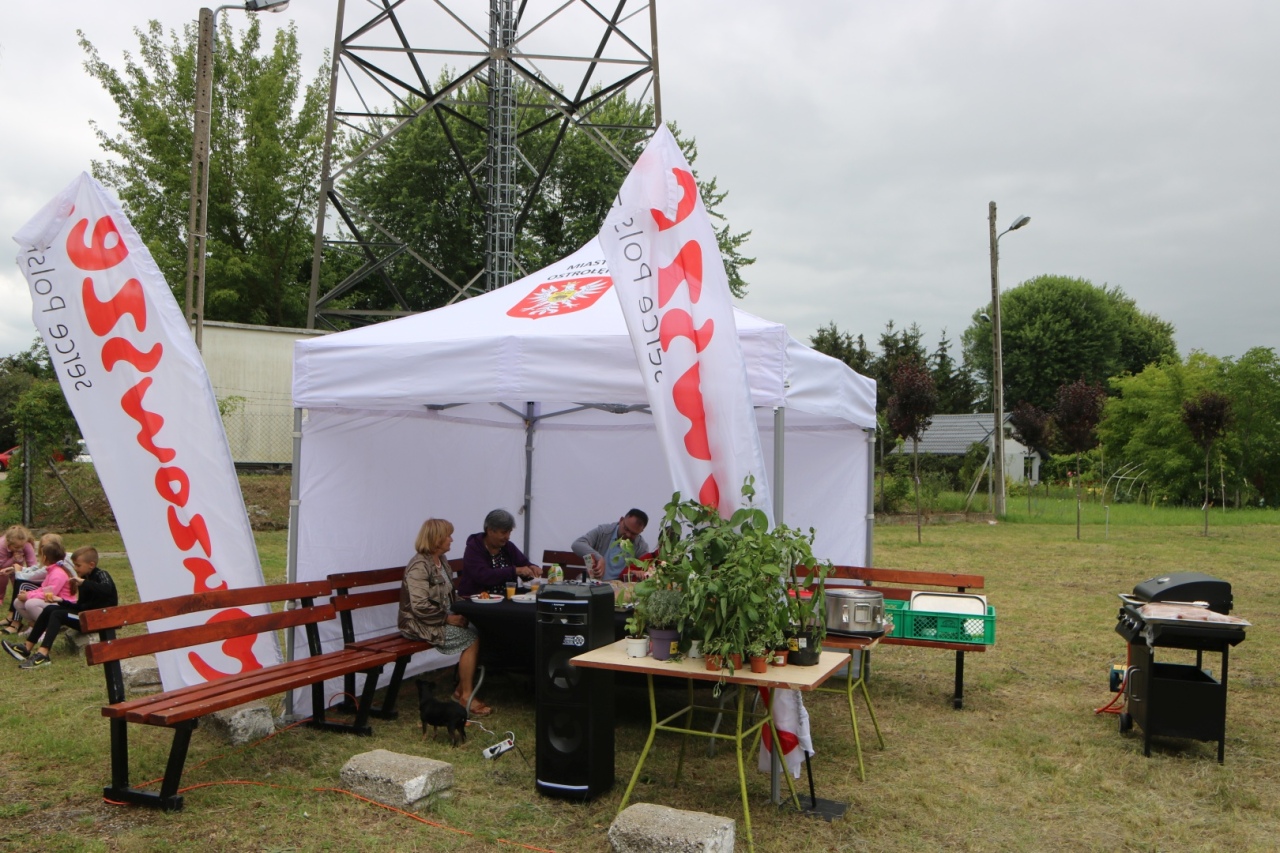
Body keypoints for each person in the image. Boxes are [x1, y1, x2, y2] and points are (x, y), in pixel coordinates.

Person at [398, 519, 492, 716]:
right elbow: (419, 607)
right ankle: (466, 695)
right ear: (436, 539)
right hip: (417, 624)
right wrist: (448, 619)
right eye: (448, 535)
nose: (452, 539)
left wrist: (468, 605)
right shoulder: (419, 567)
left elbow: (450, 596)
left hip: (438, 618)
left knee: (481, 628)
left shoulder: (442, 562)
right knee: (470, 638)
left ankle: (460, 690)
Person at [3, 546, 117, 669]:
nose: (75, 569)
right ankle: (26, 647)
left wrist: (84, 583)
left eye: (78, 565)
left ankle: (43, 654)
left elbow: (107, 589)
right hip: (86, 616)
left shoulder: (101, 575)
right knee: (50, 609)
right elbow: (81, 606)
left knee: (58, 615)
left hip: (98, 620)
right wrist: (61, 601)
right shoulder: (84, 578)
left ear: (91, 564)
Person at [458, 509, 540, 597]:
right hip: (477, 601)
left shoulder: (508, 546)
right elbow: (483, 576)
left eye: (510, 532)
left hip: (505, 599)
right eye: (504, 532)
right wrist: (515, 570)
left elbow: (523, 563)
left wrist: (532, 567)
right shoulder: (474, 548)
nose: (508, 537)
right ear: (490, 531)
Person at [572, 509, 651, 581]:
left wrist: (636, 572)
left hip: (620, 589)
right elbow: (577, 544)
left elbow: (647, 570)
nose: (628, 535)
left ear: (641, 531)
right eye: (626, 529)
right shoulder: (603, 532)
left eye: (633, 534)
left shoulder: (641, 547)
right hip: (594, 583)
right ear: (621, 520)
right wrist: (599, 558)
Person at [13, 540, 74, 630]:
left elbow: (50, 595)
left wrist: (29, 596)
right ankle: (34, 625)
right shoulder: (51, 571)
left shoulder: (58, 573)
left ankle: (47, 628)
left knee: (31, 604)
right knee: (18, 602)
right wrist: (28, 594)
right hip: (52, 601)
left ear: (45, 558)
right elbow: (43, 589)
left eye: (40, 556)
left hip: (62, 605)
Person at [0, 525, 37, 610]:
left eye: (22, 547)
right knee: (2, 576)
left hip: (18, 566)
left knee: (19, 580)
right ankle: (0, 597)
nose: (20, 549)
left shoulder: (27, 545)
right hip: (3, 567)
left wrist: (29, 574)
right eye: (16, 547)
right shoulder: (2, 545)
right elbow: (2, 566)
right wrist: (13, 559)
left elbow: (33, 564)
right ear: (9, 543)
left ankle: (20, 596)